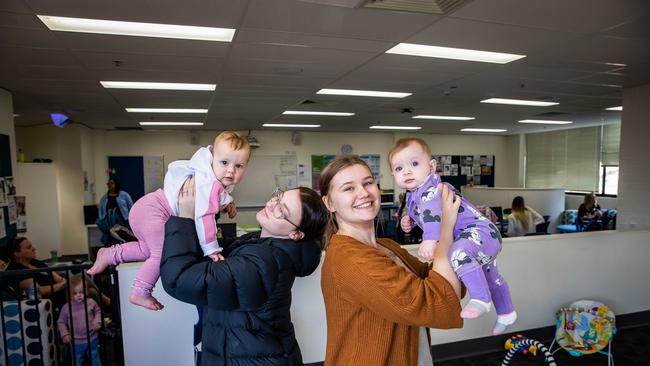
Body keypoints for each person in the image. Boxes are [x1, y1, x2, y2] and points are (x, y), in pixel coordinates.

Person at [160, 177, 328, 366]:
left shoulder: (263, 264)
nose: (273, 204)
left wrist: (184, 219)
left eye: (282, 210)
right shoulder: (259, 242)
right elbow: (212, 256)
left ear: (295, 234)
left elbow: (178, 279)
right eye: (278, 197)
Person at [319, 155, 463, 366]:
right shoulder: (352, 258)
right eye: (348, 188)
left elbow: (440, 279)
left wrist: (472, 239)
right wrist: (445, 228)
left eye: (368, 182)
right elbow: (436, 300)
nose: (363, 193)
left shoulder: (385, 246)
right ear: (329, 203)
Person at [88, 131, 248, 310]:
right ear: (212, 160)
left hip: (146, 208)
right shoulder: (209, 183)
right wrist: (211, 248)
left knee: (147, 250)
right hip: (154, 211)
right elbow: (204, 217)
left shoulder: (207, 176)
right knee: (161, 254)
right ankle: (140, 292)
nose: (231, 170)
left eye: (239, 166)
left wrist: (228, 202)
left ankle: (109, 254)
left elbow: (214, 199)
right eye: (224, 162)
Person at [389, 137, 516, 335]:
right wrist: (410, 221)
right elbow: (427, 214)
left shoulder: (431, 190)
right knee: (492, 277)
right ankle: (507, 313)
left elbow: (433, 218)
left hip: (477, 232)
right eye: (398, 168)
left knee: (458, 253)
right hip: (484, 235)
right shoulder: (415, 194)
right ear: (393, 173)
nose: (406, 171)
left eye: (414, 163)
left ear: (431, 166)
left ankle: (481, 299)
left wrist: (430, 240)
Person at [4, 237, 67, 306]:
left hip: (61, 293)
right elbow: (39, 291)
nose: (34, 249)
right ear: (16, 254)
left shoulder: (33, 261)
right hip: (48, 302)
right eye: (29, 247)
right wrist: (63, 284)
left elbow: (50, 272)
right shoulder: (15, 270)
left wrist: (61, 279)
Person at [57, 275, 102, 366]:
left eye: (81, 292)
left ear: (85, 291)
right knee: (77, 360)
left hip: (92, 338)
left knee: (95, 357)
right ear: (69, 294)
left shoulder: (91, 302)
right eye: (75, 293)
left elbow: (98, 311)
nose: (79, 295)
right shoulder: (66, 307)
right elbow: (61, 322)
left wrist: (97, 321)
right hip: (76, 341)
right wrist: (65, 334)